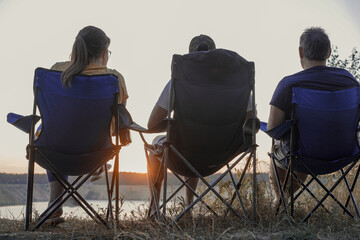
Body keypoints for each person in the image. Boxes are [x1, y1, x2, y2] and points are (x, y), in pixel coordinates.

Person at [147, 34, 253, 215]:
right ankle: (188, 208)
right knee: (191, 142)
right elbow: (249, 124)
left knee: (161, 145)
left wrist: (176, 124)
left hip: (186, 151)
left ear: (190, 58)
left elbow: (152, 125)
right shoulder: (236, 87)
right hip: (221, 154)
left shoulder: (177, 83)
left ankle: (155, 210)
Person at [45, 25, 128, 221]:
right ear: (103, 52)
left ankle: (55, 204)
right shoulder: (114, 78)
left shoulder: (56, 71)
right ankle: (98, 164)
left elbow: (51, 115)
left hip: (55, 152)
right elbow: (117, 125)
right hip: (97, 151)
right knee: (72, 133)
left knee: (47, 129)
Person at [267, 27, 359, 201]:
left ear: (301, 52)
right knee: (300, 142)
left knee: (283, 143)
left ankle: (281, 200)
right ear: (329, 52)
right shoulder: (350, 82)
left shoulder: (289, 84)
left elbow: (273, 128)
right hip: (345, 154)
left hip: (304, 157)